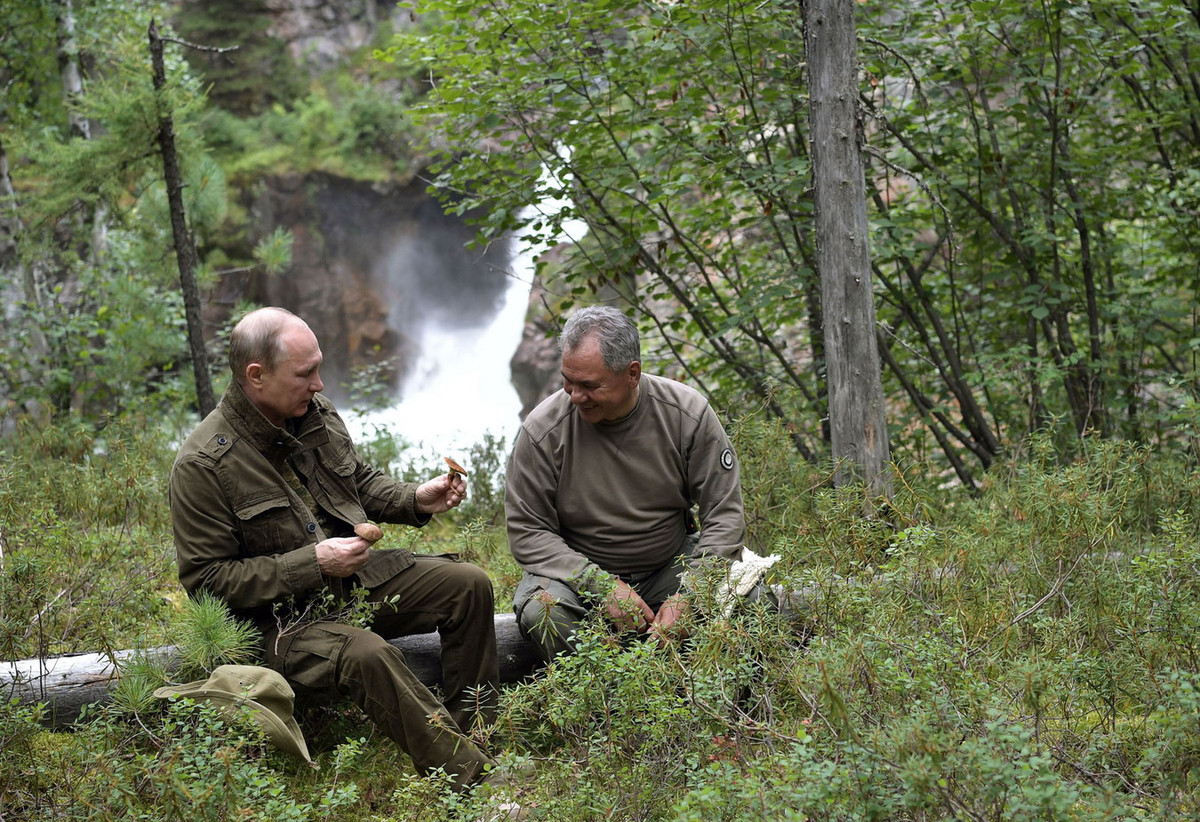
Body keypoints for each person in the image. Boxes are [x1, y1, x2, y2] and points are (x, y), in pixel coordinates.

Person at [169, 306, 500, 791]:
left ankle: (473, 736)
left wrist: (413, 499)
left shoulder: (311, 411)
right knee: (367, 653)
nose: (320, 384)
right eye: (306, 373)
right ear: (256, 376)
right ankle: (470, 780)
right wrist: (313, 562)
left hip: (349, 585)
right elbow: (207, 583)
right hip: (279, 624)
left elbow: (355, 482)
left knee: (467, 585)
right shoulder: (202, 465)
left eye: (319, 367)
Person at [505, 305, 748, 663]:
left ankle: (691, 695)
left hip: (669, 566)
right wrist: (601, 586)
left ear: (632, 373)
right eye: (567, 381)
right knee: (541, 611)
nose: (575, 396)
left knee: (749, 599)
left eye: (589, 385)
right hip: (578, 579)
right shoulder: (542, 431)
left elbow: (725, 516)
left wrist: (690, 596)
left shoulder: (686, 415)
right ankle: (606, 700)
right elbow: (527, 531)